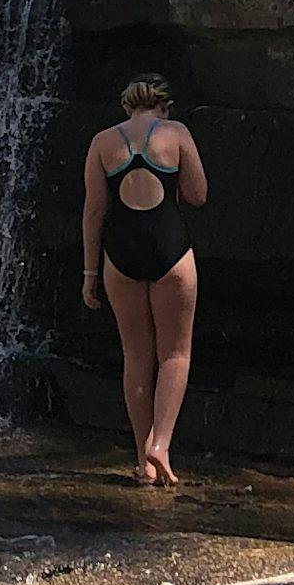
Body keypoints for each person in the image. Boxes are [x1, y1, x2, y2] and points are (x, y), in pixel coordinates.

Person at [79, 75, 206, 485]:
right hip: (170, 246)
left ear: (127, 107)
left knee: (136, 357)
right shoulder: (177, 132)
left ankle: (141, 460)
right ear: (163, 106)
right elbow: (198, 194)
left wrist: (89, 273)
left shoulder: (102, 141)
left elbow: (94, 213)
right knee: (175, 354)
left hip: (120, 252)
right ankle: (161, 446)